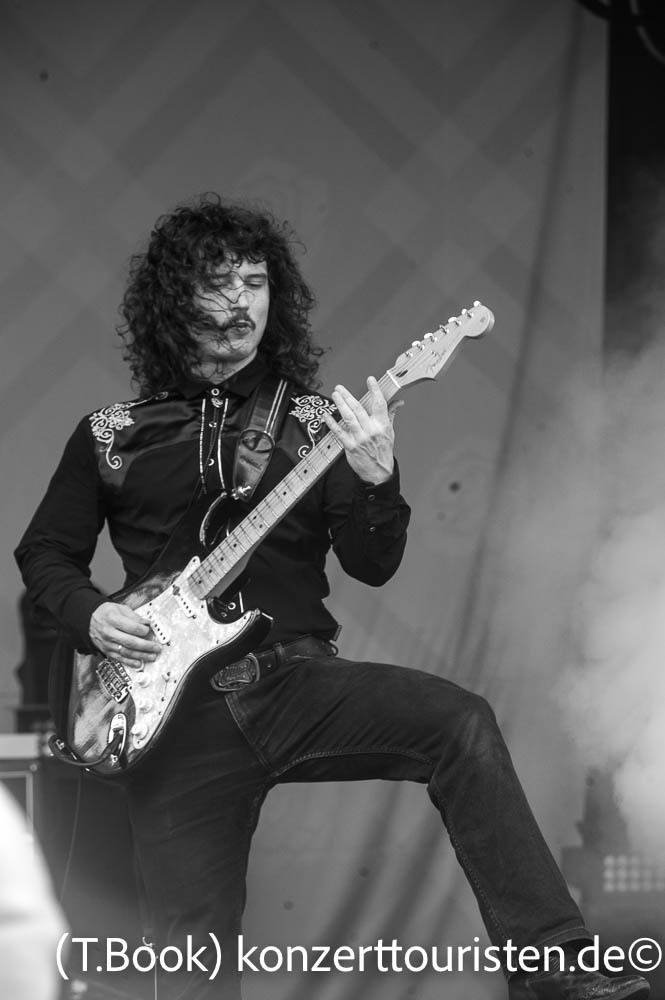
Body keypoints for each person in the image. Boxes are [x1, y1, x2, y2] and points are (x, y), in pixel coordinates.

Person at [15, 194, 650, 1000]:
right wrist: (92, 614)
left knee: (459, 724)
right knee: (189, 960)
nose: (241, 301)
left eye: (254, 282)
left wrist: (378, 478)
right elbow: (45, 551)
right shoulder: (111, 433)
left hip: (292, 681)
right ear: (174, 298)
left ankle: (553, 960)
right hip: (169, 720)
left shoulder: (316, 422)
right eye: (218, 282)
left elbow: (372, 563)